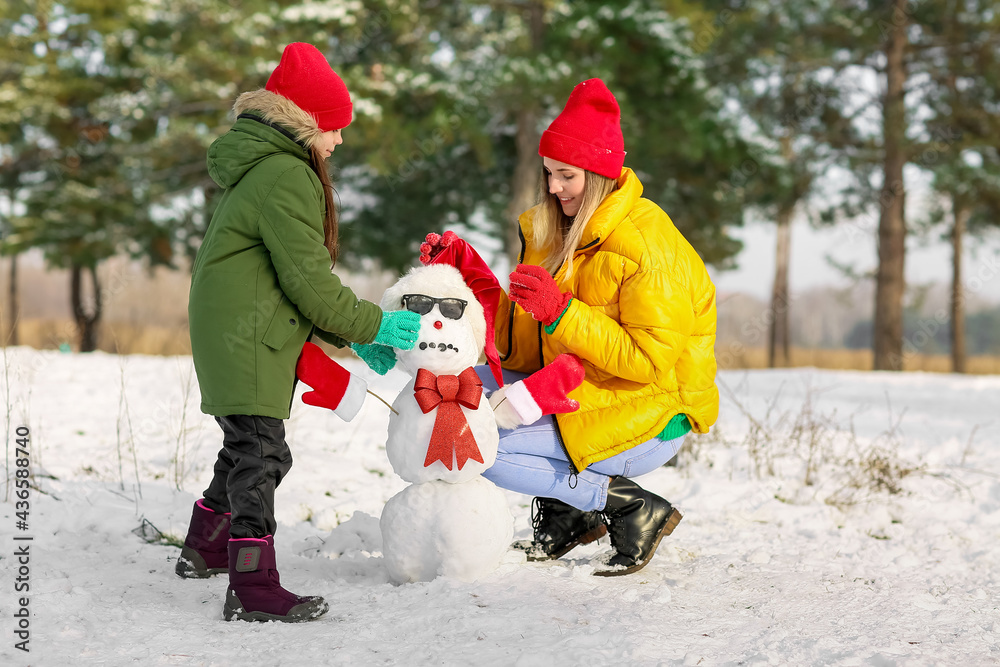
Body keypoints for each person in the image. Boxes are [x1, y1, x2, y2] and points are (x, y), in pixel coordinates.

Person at [423, 78, 719, 576]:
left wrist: (562, 312)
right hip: (585, 387)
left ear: (599, 176)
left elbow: (649, 362)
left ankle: (624, 504)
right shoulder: (552, 228)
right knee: (455, 400)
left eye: (567, 176)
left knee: (478, 445)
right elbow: (520, 349)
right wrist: (464, 272)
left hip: (650, 409)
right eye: (548, 174)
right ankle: (568, 515)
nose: (554, 187)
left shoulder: (648, 246)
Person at [177, 42, 419, 622]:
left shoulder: (263, 168)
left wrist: (353, 334)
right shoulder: (287, 174)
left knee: (247, 446)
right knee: (260, 453)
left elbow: (288, 278)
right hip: (248, 334)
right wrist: (378, 323)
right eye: (333, 129)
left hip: (237, 328)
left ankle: (206, 545)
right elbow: (310, 283)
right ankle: (253, 587)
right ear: (306, 124)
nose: (338, 141)